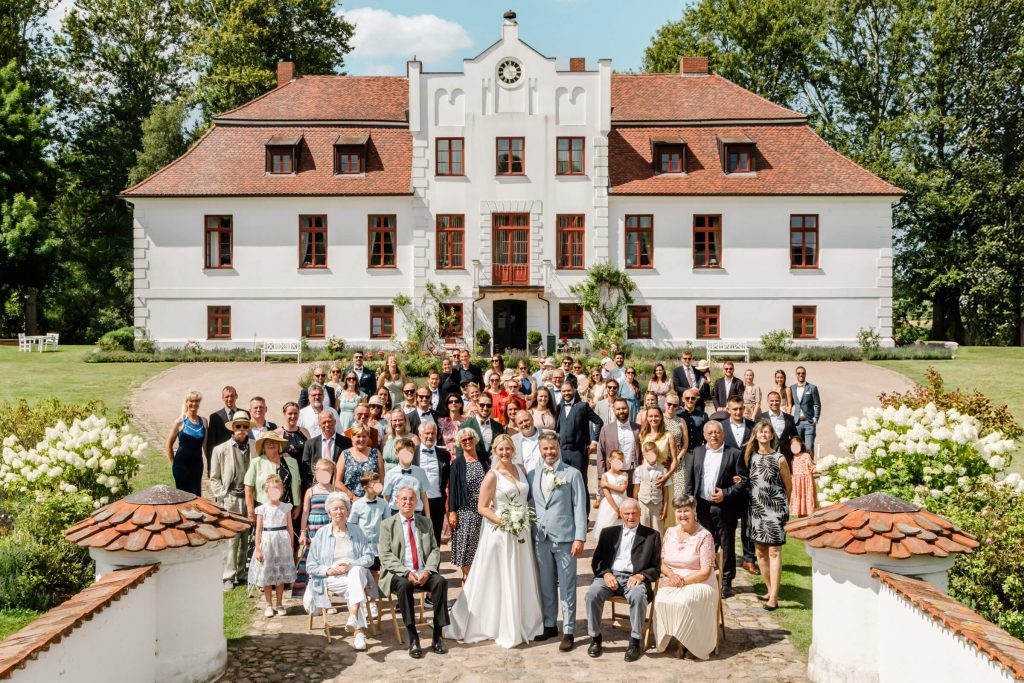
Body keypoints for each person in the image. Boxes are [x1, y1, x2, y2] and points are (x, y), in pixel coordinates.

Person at [447, 434, 543, 648]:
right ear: (495, 451)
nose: (505, 453)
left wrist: (520, 521)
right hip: (500, 532)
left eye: (508, 449)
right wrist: (505, 522)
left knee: (520, 573)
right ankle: (495, 623)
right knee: (497, 577)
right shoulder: (492, 475)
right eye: (501, 449)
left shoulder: (521, 469)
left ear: (513, 450)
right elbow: (482, 507)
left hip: (521, 530)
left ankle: (524, 621)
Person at [528, 430, 588, 651]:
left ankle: (569, 630)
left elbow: (579, 507)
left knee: (567, 586)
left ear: (558, 448)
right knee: (545, 584)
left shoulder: (572, 474)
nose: (549, 452)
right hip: (540, 537)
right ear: (540, 450)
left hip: (565, 538)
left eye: (552, 448)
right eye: (545, 448)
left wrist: (579, 537)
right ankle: (550, 624)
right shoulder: (532, 474)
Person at [378, 486, 451, 659]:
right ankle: (413, 638)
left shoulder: (426, 522)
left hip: (422, 571)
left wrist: (428, 570)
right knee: (404, 586)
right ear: (397, 501)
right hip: (398, 573)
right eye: (403, 499)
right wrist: (405, 572)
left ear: (417, 502)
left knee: (440, 582)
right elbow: (385, 555)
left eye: (411, 499)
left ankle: (437, 636)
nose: (407, 502)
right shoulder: (388, 525)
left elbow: (434, 549)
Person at [585, 498, 661, 662]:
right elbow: (597, 561)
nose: (630, 516)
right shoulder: (608, 533)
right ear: (620, 514)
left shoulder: (652, 536)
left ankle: (635, 641)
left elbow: (656, 568)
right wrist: (605, 573)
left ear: (640, 513)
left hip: (635, 579)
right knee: (592, 593)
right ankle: (595, 638)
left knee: (638, 596)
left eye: (634, 513)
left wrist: (641, 576)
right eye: (627, 513)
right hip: (610, 576)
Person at [650, 494, 719, 659]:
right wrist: (672, 575)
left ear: (694, 511)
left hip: (700, 581)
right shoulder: (670, 532)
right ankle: (678, 637)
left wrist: (681, 582)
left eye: (686, 511)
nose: (682, 515)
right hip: (674, 579)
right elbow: (661, 562)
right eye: (679, 511)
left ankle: (689, 644)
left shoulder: (705, 536)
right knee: (660, 599)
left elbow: (706, 572)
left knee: (684, 601)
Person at [304, 492, 374, 651]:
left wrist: (351, 565)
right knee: (354, 587)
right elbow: (310, 565)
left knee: (356, 572)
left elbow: (369, 557)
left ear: (348, 511)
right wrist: (328, 570)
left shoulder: (357, 531)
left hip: (354, 574)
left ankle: (354, 620)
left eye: (342, 508)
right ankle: (358, 631)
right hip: (332, 579)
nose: (339, 512)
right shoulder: (321, 534)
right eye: (335, 509)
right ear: (329, 512)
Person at [686, 421, 747, 598]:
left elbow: (743, 480)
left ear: (723, 434)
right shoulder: (698, 452)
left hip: (725, 507)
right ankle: (706, 576)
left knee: (727, 545)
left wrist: (726, 493)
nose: (714, 435)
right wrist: (690, 504)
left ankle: (727, 582)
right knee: (705, 543)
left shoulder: (734, 453)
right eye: (710, 432)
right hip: (703, 506)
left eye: (717, 432)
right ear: (705, 435)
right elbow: (692, 479)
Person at [745, 419, 793, 610]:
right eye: (761, 431)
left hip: (775, 509)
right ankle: (769, 588)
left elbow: (789, 487)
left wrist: (784, 509)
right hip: (757, 509)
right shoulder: (752, 457)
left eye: (767, 432)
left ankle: (774, 597)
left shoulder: (780, 458)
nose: (764, 434)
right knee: (759, 551)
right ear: (755, 435)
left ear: (772, 436)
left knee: (774, 551)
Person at [208, 411, 252, 590]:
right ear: (232, 428)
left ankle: (242, 572)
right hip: (231, 497)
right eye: (238, 426)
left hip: (249, 497)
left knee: (246, 537)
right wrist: (223, 495)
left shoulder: (255, 447)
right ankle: (228, 575)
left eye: (245, 426)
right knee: (231, 539)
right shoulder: (220, 450)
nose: (241, 430)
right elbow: (214, 477)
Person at [248, 475, 297, 618]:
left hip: (282, 543)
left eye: (278, 489)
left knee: (280, 576)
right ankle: (268, 604)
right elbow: (258, 530)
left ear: (282, 490)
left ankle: (280, 603)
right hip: (267, 543)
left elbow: (290, 528)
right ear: (266, 491)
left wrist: (291, 547)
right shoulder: (262, 509)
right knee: (267, 576)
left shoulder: (286, 507)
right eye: (272, 490)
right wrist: (258, 549)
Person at [720, 396, 757, 575]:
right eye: (734, 409)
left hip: (749, 482)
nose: (738, 412)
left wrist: (747, 478)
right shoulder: (722, 428)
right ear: (728, 409)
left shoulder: (752, 427)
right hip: (729, 483)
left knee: (748, 523)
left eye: (740, 409)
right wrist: (730, 477)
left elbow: (757, 452)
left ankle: (749, 558)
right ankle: (729, 560)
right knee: (729, 524)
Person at [294, 458, 337, 600]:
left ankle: (325, 596)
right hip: (313, 529)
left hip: (329, 527)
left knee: (327, 561)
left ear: (332, 473)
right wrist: (302, 532)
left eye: (327, 472)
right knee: (311, 560)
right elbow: (305, 513)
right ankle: (309, 595)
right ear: (316, 473)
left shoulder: (334, 491)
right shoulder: (311, 491)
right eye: (321, 472)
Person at [448, 428, 488, 578]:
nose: (467, 441)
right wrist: (452, 512)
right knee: (467, 547)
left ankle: (480, 580)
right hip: (466, 511)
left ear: (475, 439)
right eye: (463, 440)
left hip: (485, 510)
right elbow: (452, 489)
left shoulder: (484, 458)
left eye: (470, 438)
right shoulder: (458, 463)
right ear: (460, 443)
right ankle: (467, 579)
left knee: (482, 546)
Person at [555, 381, 603, 503]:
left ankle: (584, 517)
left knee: (580, 483)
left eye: (568, 390)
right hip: (563, 452)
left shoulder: (582, 406)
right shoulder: (559, 407)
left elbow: (599, 422)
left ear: (574, 390)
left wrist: (594, 442)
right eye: (563, 391)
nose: (566, 393)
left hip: (579, 452)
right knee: (564, 484)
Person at [244, 432, 301, 525]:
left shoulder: (292, 462)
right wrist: (250, 512)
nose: (271, 444)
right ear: (263, 447)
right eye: (267, 442)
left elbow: (298, 485)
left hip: (287, 510)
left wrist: (298, 506)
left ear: (279, 445)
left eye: (274, 441)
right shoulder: (256, 462)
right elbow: (248, 488)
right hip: (264, 510)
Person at [412, 422, 451, 545]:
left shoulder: (444, 455)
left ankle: (435, 564)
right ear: (420, 435)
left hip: (437, 501)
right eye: (427, 433)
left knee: (435, 537)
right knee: (417, 537)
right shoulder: (412, 453)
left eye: (433, 433)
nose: (430, 436)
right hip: (417, 501)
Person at [165, 391, 209, 496]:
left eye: (197, 401)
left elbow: (205, 446)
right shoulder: (180, 422)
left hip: (197, 465)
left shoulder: (204, 421)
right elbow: (168, 444)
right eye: (191, 401)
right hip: (181, 466)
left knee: (196, 496)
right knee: (182, 497)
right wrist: (174, 464)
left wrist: (210, 465)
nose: (194, 404)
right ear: (186, 402)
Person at [596, 397, 640, 495]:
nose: (621, 411)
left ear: (628, 408)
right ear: (614, 410)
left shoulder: (638, 429)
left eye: (624, 408)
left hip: (633, 474)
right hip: (613, 475)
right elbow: (600, 455)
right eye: (618, 409)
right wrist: (601, 477)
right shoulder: (606, 430)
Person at [299, 411, 350, 492]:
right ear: (319, 425)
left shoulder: (346, 442)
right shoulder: (310, 444)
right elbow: (306, 469)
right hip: (317, 488)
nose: (327, 424)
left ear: (335, 422)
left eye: (329, 421)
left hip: (338, 488)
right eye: (324, 422)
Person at [336, 423, 385, 501]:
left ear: (368, 437)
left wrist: (373, 496)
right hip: (350, 501)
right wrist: (353, 497)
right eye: (358, 436)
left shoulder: (376, 453)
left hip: (372, 501)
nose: (361, 439)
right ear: (352, 437)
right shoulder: (345, 454)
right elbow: (337, 481)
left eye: (364, 436)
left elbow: (382, 480)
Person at [382, 438, 431, 516]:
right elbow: (386, 497)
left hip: (416, 513)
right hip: (396, 513)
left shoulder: (420, 472)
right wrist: (385, 517)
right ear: (397, 454)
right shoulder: (391, 473)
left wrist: (428, 517)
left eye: (411, 452)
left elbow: (424, 496)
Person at [638, 406, 678, 490]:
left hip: (663, 477)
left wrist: (666, 476)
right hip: (647, 478)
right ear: (647, 418)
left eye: (656, 416)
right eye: (650, 416)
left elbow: (675, 460)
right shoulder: (642, 435)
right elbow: (641, 457)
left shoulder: (668, 436)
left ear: (661, 417)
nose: (653, 418)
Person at [593, 451, 628, 538]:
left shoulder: (624, 475)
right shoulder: (605, 476)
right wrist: (616, 509)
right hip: (610, 505)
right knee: (609, 529)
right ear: (610, 460)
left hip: (623, 503)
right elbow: (607, 494)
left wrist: (607, 484)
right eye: (617, 461)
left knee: (623, 531)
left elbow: (622, 489)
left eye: (622, 461)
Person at [634, 442, 668, 534]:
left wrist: (665, 508)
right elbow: (636, 489)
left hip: (657, 505)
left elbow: (666, 492)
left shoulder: (663, 470)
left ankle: (657, 548)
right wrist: (635, 506)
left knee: (658, 530)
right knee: (643, 529)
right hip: (642, 504)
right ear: (644, 454)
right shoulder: (638, 470)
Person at [205, 386, 238, 472]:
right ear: (222, 398)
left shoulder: (244, 414)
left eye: (232, 396)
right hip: (222, 459)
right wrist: (210, 466)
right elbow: (211, 443)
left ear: (236, 396)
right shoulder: (215, 417)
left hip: (240, 458)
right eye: (227, 396)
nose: (229, 399)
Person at [792, 366, 822, 452]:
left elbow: (817, 404)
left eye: (803, 373)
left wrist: (816, 418)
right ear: (796, 375)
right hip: (797, 422)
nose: (801, 375)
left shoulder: (812, 387)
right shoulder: (792, 388)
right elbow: (790, 404)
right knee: (797, 448)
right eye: (798, 373)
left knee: (809, 448)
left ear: (805, 374)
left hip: (809, 421)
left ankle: (810, 465)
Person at [765, 391, 798, 465]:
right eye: (772, 401)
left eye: (776, 400)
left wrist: (796, 453)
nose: (774, 403)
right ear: (768, 402)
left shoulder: (789, 418)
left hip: (786, 455)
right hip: (767, 456)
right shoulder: (761, 418)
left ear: (780, 401)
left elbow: (795, 436)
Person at [789, 435, 817, 518]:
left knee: (808, 501)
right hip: (797, 485)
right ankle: (801, 523)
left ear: (801, 445)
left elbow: (812, 468)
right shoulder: (791, 458)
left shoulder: (806, 456)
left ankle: (810, 520)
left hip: (806, 484)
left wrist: (823, 467)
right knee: (799, 504)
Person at [276, 401, 309, 466]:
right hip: (287, 472)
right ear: (284, 413)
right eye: (290, 413)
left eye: (295, 413)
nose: (293, 416)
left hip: (304, 472)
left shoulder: (305, 431)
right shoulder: (277, 433)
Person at [437, 392, 470, 456]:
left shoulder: (467, 421)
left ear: (461, 404)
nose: (453, 403)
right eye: (450, 402)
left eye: (456, 401)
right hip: (445, 455)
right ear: (447, 405)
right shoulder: (441, 421)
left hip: (462, 454)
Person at [511, 409, 542, 475]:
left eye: (526, 420)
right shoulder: (512, 441)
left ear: (532, 419)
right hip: (524, 481)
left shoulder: (547, 434)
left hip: (545, 481)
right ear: (517, 426)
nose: (524, 424)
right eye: (520, 423)